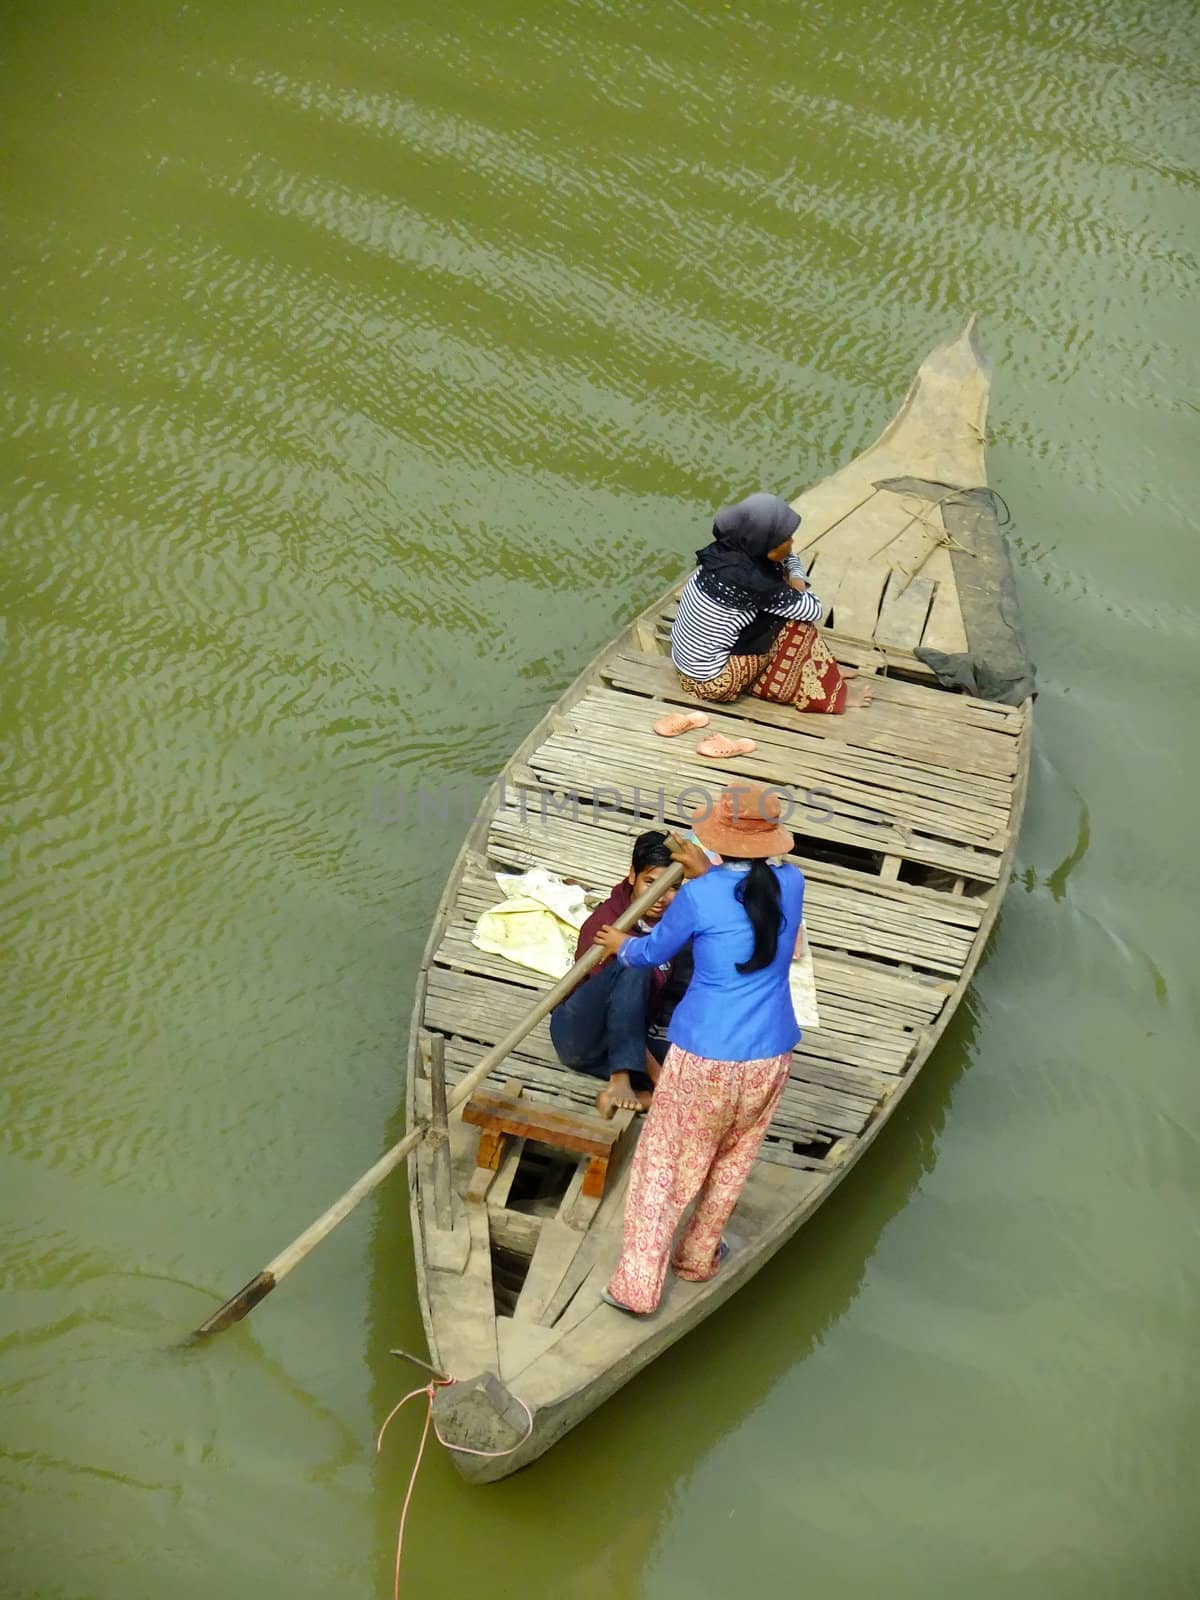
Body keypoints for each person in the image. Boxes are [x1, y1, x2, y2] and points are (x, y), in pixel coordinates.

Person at [592, 784, 804, 1315]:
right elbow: (743, 902)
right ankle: (697, 1258)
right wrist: (708, 874)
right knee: (732, 1159)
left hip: (705, 1057)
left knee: (662, 1164)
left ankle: (637, 1287)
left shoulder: (697, 896)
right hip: (770, 1055)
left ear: (719, 842)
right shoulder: (792, 883)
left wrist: (620, 944)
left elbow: (650, 952)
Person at [670, 491, 872, 717]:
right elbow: (812, 608)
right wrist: (796, 576)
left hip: (684, 666)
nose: (792, 542)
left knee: (779, 600)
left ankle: (826, 670)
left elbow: (786, 559)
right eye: (785, 539)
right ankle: (831, 692)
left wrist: (790, 566)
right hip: (713, 682)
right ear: (764, 544)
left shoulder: (726, 554)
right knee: (796, 625)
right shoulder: (753, 583)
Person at [549, 831, 694, 1119]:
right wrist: (658, 1076)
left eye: (672, 887)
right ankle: (621, 1081)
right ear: (632, 876)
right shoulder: (606, 923)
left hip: (628, 1041)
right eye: (651, 883)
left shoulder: (675, 927)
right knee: (634, 961)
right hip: (582, 1035)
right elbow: (617, 1010)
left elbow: (679, 997)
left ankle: (646, 1099)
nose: (661, 898)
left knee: (700, 1067)